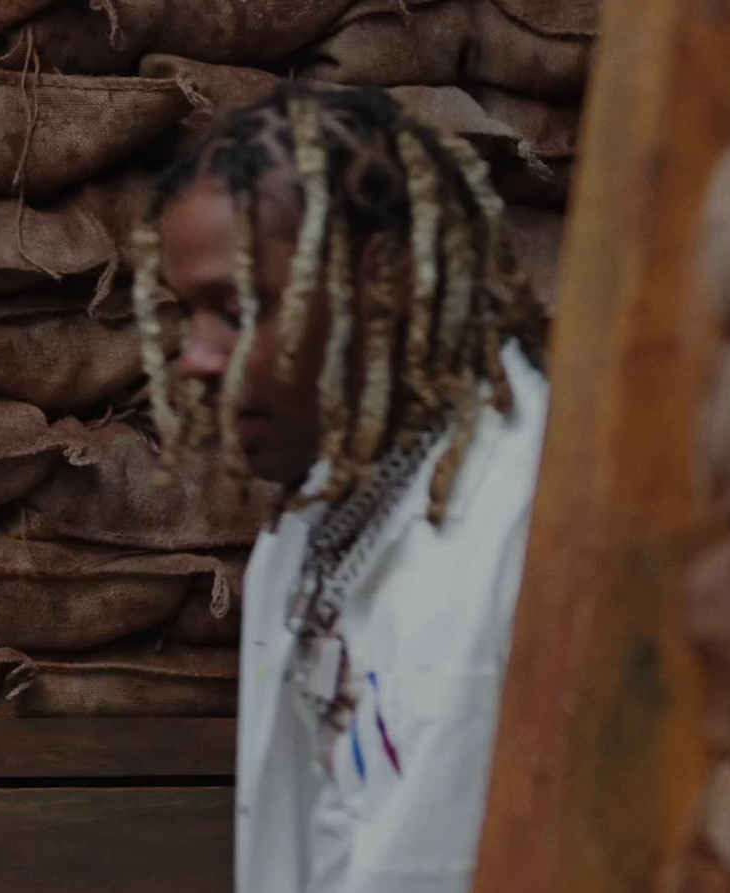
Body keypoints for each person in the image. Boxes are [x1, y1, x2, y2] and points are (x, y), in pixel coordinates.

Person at [129, 84, 552, 893]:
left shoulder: (530, 516)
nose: (197, 357)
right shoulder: (313, 517)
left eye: (240, 305)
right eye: (191, 315)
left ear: (381, 283)